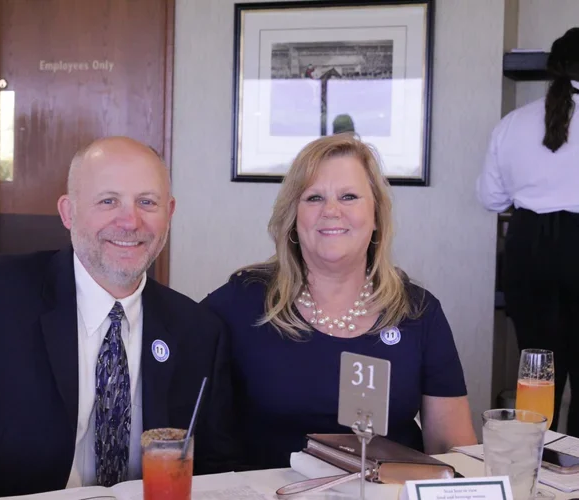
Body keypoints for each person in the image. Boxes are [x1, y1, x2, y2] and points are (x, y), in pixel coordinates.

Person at [0, 137, 239, 499]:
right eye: (107, 201)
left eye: (148, 203)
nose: (130, 221)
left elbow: (216, 468)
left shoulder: (198, 330)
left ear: (169, 213)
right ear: (68, 213)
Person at [202, 134, 477, 470]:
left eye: (349, 197)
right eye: (314, 198)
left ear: (376, 216)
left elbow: (452, 448)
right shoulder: (240, 302)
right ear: (293, 218)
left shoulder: (419, 312)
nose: (331, 211)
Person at [476, 27, 579, 434]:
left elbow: (491, 199)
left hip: (528, 248)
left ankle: (535, 468)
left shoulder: (513, 123)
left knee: (537, 369)